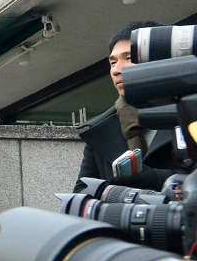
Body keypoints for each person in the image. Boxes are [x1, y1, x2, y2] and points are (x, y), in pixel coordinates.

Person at [72, 22, 172, 193]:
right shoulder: (99, 130)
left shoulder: (188, 114)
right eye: (112, 62)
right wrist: (117, 194)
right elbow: (82, 193)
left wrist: (155, 179)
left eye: (129, 58)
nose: (116, 70)